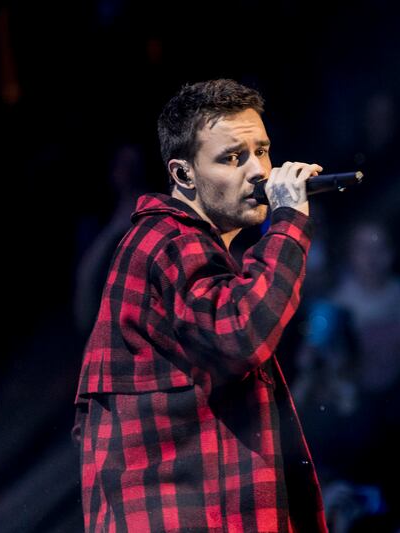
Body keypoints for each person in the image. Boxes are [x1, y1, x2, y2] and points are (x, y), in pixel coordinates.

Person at [72, 79, 327, 531]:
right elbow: (242, 332)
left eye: (262, 151)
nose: (259, 171)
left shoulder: (180, 246)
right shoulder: (167, 242)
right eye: (232, 157)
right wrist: (288, 224)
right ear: (183, 174)